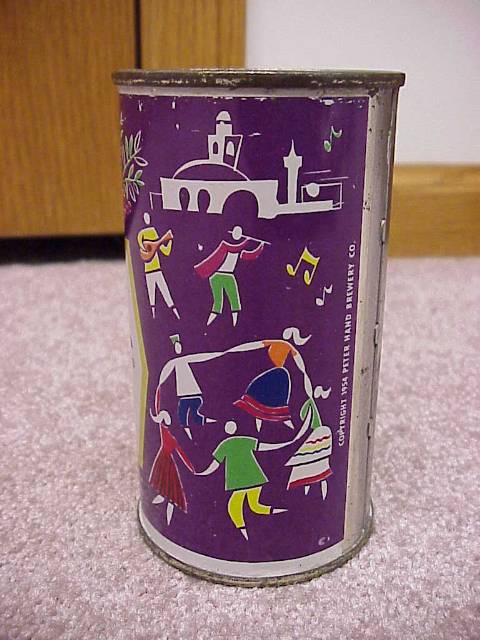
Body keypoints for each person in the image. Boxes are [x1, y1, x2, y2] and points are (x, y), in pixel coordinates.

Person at [196, 419, 311, 540]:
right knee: (254, 506)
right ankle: (279, 513)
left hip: (240, 481)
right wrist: (285, 444)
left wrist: (203, 473)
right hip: (254, 478)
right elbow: (264, 446)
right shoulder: (244, 440)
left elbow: (215, 464)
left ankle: (244, 532)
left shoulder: (225, 444)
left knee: (234, 507)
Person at [231, 327, 313, 432]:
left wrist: (307, 383)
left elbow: (301, 366)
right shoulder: (281, 348)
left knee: (274, 396)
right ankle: (263, 421)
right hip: (273, 377)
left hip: (277, 377)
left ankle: (272, 420)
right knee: (261, 396)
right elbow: (254, 345)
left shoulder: (285, 357)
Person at [194, 225, 266, 327]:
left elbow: (250, 255)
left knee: (234, 300)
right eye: (236, 232)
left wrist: (260, 247)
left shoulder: (238, 250)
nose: (237, 235)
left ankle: (235, 324)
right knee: (218, 302)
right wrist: (246, 242)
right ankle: (207, 324)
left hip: (229, 276)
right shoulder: (225, 245)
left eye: (239, 233)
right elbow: (233, 248)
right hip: (217, 276)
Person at [151, 335, 218, 440]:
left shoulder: (183, 359)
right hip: (186, 396)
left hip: (192, 395)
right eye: (176, 347)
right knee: (184, 417)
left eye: (179, 346)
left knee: (188, 416)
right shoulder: (174, 362)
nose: (178, 349)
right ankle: (192, 430)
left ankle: (209, 423)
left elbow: (202, 357)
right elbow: (165, 372)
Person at [148, 410, 195, 525]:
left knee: (169, 488)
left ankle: (168, 515)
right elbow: (181, 453)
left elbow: (181, 453)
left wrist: (190, 467)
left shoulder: (167, 433)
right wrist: (190, 467)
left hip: (165, 459)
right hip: (164, 459)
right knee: (168, 487)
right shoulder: (166, 432)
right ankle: (166, 512)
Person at [285, 387, 333, 499]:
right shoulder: (310, 405)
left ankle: (309, 497)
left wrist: (296, 438)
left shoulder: (309, 406)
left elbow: (305, 424)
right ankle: (311, 497)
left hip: (317, 439)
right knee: (321, 472)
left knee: (309, 470)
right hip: (322, 438)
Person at [137, 212, 180, 319]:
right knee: (150, 297)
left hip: (157, 270)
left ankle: (176, 315)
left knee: (166, 293)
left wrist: (169, 241)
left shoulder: (153, 233)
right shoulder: (142, 233)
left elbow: (166, 251)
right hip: (148, 272)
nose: (147, 219)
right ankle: (152, 317)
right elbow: (142, 247)